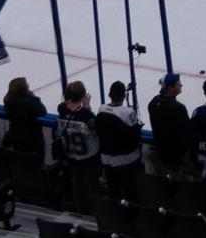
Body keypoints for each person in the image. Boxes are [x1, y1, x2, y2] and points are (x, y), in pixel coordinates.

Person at [54, 81, 101, 212]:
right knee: (93, 184)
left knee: (77, 182)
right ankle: (96, 210)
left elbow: (64, 105)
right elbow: (96, 128)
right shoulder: (86, 115)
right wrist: (87, 107)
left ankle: (79, 209)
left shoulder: (62, 110)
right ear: (83, 96)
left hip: (71, 156)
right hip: (88, 157)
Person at [97, 80, 143, 201]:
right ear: (124, 95)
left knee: (113, 188)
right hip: (125, 159)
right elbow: (135, 135)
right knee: (130, 189)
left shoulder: (101, 109)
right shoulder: (128, 113)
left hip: (106, 158)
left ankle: (114, 211)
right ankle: (131, 212)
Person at [148, 73, 191, 176]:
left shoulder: (153, 102)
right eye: (178, 84)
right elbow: (187, 133)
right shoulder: (179, 109)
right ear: (169, 88)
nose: (181, 85)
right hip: (176, 155)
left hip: (161, 151)